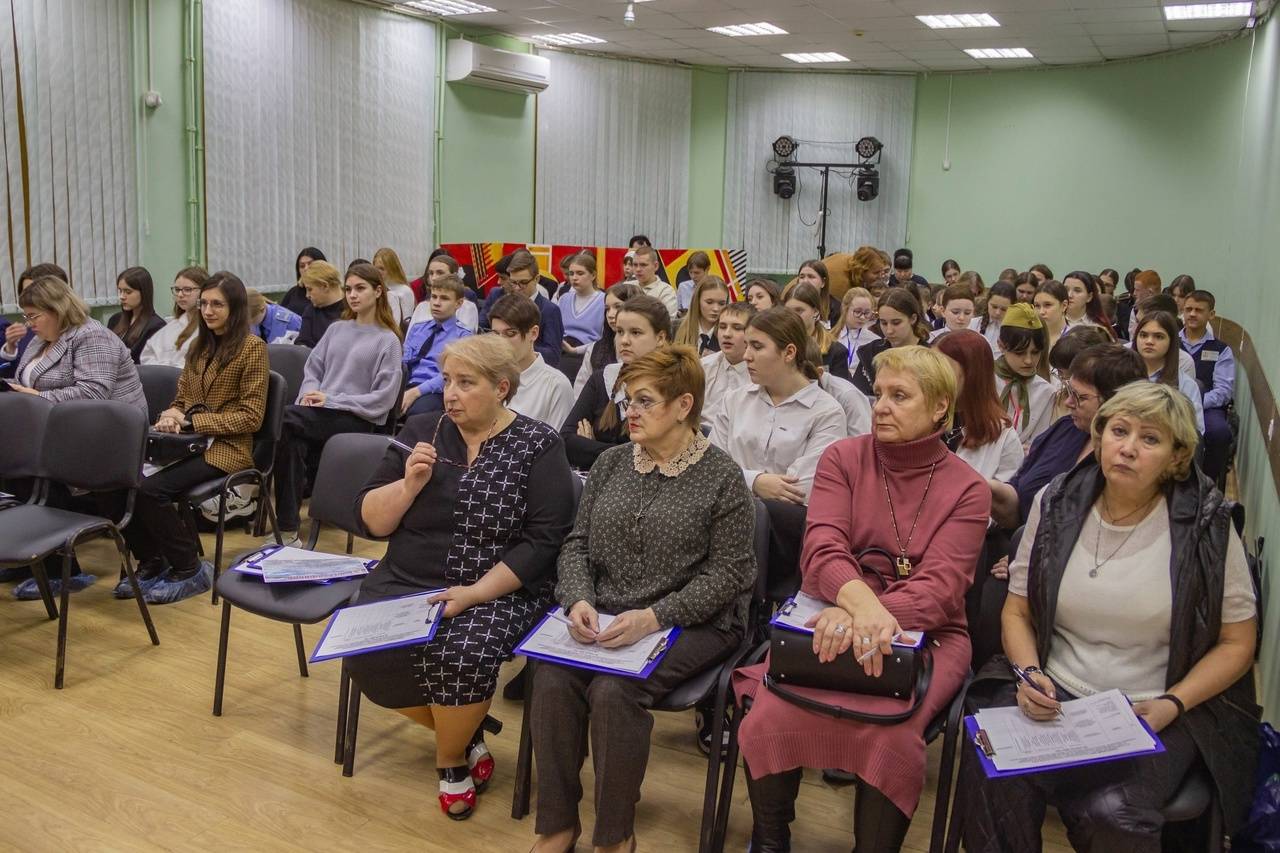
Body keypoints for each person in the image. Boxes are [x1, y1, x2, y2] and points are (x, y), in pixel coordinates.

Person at [962, 382, 1259, 852]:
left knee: (1113, 813)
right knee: (992, 766)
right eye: (1119, 431)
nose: (1128, 448)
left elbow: (1238, 643)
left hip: (1158, 703)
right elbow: (1016, 610)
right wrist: (1030, 674)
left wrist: (1174, 703)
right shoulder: (1056, 500)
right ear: (1099, 438)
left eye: (1150, 439)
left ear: (1177, 456)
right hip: (1057, 689)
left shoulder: (1209, 524)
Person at [733, 345, 990, 853]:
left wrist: (860, 617)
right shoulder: (844, 458)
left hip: (928, 633)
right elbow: (822, 551)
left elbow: (941, 590)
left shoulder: (968, 489)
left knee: (891, 736)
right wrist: (862, 609)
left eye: (900, 396)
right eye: (879, 394)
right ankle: (769, 841)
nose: (881, 407)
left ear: (940, 406)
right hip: (828, 612)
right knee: (770, 713)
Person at [529, 346, 756, 853]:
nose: (629, 411)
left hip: (696, 620)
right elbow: (577, 545)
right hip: (609, 612)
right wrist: (578, 600)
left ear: (683, 405)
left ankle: (615, 835)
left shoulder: (723, 478)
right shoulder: (611, 463)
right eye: (628, 400)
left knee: (615, 691)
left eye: (644, 401)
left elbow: (729, 576)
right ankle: (557, 824)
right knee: (551, 677)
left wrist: (654, 617)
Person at [346, 333, 575, 821]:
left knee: (463, 654)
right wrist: (408, 485)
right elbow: (370, 519)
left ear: (502, 388)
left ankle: (450, 760)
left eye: (466, 383)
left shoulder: (538, 444)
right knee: (363, 650)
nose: (450, 393)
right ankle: (467, 735)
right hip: (409, 577)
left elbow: (543, 541)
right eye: (447, 380)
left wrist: (473, 593)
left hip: (498, 586)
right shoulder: (422, 429)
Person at [123, 272, 267, 604]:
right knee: (123, 482)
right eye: (204, 303)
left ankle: (189, 568)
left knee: (151, 491)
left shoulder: (252, 348)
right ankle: (152, 560)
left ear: (235, 308)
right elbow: (182, 398)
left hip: (228, 448)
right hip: (190, 442)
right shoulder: (200, 346)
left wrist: (191, 421)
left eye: (218, 304)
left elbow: (251, 417)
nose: (208, 311)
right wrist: (172, 414)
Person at [272, 263, 404, 540]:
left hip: (358, 419)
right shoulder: (337, 329)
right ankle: (288, 530)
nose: (352, 295)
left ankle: (253, 486)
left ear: (378, 291)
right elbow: (313, 370)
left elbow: (382, 400)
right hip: (319, 414)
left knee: (283, 419)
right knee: (290, 437)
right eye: (349, 289)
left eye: (360, 288)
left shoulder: (388, 340)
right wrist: (309, 395)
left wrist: (331, 399)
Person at [989, 344, 1146, 529]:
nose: (1069, 402)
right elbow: (1018, 495)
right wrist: (986, 487)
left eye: (1081, 397)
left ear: (1115, 402)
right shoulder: (1065, 429)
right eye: (1069, 391)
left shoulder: (1125, 460)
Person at [710, 307, 846, 505]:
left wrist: (738, 479)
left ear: (789, 353)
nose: (746, 355)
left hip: (786, 521)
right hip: (725, 512)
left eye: (757, 347)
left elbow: (802, 490)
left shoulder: (827, 412)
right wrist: (756, 482)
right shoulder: (734, 400)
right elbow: (710, 469)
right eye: (747, 345)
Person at [561, 295, 670, 470]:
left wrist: (591, 447)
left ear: (660, 338)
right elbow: (566, 441)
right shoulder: (602, 378)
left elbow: (656, 453)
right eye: (619, 332)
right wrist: (619, 453)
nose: (624, 340)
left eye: (635, 332)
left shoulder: (674, 384)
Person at [935, 330, 1024, 483]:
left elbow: (1009, 494)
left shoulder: (1003, 437)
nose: (933, 378)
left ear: (972, 376)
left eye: (944, 371)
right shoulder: (919, 420)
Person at [489, 294, 573, 429]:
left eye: (510, 334)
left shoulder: (556, 385)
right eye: (495, 334)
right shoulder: (487, 377)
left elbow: (558, 439)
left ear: (533, 333)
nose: (501, 342)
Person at [1181, 290, 1235, 482]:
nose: (1192, 314)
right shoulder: (1170, 342)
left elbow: (1223, 391)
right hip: (1172, 402)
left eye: (1199, 310)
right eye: (1188, 309)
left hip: (1207, 407)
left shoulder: (1221, 350)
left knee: (1219, 432)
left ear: (1211, 314)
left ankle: (1207, 481)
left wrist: (1195, 401)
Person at [402, 273, 473, 417]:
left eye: (444, 298)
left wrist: (417, 391)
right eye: (433, 297)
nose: (436, 303)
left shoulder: (464, 337)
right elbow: (403, 362)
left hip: (436, 390)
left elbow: (452, 376)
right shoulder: (418, 328)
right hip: (406, 382)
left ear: (458, 303)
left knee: (417, 412)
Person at [480, 250, 564, 368]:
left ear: (537, 279)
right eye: (513, 282)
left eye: (523, 282)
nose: (517, 288)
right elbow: (482, 328)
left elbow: (553, 356)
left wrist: (517, 344)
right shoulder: (501, 301)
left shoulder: (550, 310)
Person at [993, 303, 1054, 449]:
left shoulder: (1046, 391)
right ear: (1001, 345)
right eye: (1019, 352)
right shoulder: (984, 379)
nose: (1028, 360)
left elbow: (1038, 443)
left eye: (1035, 352)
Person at [1134, 311, 1204, 434]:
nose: (1149, 341)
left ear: (1171, 342)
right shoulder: (1120, 375)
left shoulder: (1186, 384)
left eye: (1158, 337)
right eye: (1143, 335)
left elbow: (1195, 432)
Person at [852, 288, 930, 396]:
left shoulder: (929, 357)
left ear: (913, 319)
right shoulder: (870, 352)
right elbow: (858, 395)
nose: (889, 330)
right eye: (883, 323)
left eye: (896, 323)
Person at [2, 263, 70, 378]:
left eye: (34, 293)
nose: (28, 299)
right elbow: (11, 376)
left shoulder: (84, 334)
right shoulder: (27, 333)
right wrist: (10, 348)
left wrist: (30, 390)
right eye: (25, 293)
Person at [573, 282, 641, 397]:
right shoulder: (595, 349)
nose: (610, 314)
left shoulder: (646, 348)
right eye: (607, 309)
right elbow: (580, 392)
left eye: (618, 307)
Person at [700, 301, 753, 430]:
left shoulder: (762, 375)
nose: (727, 334)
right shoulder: (703, 366)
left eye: (737, 328)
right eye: (722, 327)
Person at [142, 267, 208, 367]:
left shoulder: (207, 326)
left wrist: (169, 368)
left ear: (204, 291)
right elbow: (147, 355)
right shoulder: (172, 325)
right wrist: (164, 367)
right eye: (177, 290)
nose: (180, 294)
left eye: (187, 290)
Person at [785, 281, 850, 381]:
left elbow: (839, 388)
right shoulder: (777, 345)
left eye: (799, 310)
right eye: (788, 311)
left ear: (815, 311)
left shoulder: (836, 351)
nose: (793, 316)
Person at [107, 267, 166, 364]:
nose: (122, 297)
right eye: (120, 291)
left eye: (128, 292)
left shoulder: (157, 326)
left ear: (143, 292)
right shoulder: (115, 319)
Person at [411, 253, 479, 334]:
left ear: (454, 276)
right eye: (431, 273)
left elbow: (465, 338)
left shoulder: (467, 307)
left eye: (440, 273)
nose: (434, 278)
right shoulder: (421, 307)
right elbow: (410, 336)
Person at [557, 253, 605, 353]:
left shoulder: (603, 301)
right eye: (571, 273)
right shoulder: (564, 299)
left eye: (580, 273)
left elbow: (605, 340)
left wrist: (576, 350)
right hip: (562, 349)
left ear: (593, 275)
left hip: (589, 352)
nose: (574, 278)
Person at [295, 260, 347, 348]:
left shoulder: (351, 310)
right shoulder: (311, 311)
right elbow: (302, 341)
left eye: (310, 289)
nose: (307, 295)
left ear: (325, 286)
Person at [674, 276, 729, 356]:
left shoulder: (728, 335)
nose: (716, 309)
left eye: (721, 304)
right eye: (709, 302)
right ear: (697, 300)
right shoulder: (675, 328)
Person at [370, 247, 418, 326]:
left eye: (382, 268)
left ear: (392, 269)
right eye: (375, 268)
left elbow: (406, 322)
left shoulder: (405, 291)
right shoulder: (374, 288)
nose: (378, 272)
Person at [835, 287, 879, 372]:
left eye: (867, 313)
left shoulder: (875, 341)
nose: (862, 317)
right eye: (858, 312)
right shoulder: (830, 338)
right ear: (845, 309)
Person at [1062, 270, 1115, 336]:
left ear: (1089, 297)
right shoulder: (1052, 318)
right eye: (1066, 289)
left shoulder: (1098, 326)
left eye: (1077, 291)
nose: (1069, 295)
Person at [630, 245, 677, 317]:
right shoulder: (626, 286)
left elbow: (668, 320)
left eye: (643, 265)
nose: (638, 269)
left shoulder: (666, 291)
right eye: (635, 265)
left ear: (656, 266)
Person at [970, 280, 1014, 354]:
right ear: (987, 302)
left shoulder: (1014, 332)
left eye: (1003, 309)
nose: (997, 313)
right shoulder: (973, 324)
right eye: (994, 307)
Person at [792, 259, 840, 328]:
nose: (805, 281)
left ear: (823, 282)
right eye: (802, 277)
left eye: (811, 277)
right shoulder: (790, 303)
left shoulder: (836, 308)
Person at [282, 247, 325, 316]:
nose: (306, 268)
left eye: (310, 264)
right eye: (302, 266)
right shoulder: (293, 293)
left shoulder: (328, 292)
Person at [1031, 279, 1069, 354]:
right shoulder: (1030, 337)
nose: (1041, 312)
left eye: (1047, 305)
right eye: (1037, 306)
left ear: (1064, 306)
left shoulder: (1075, 338)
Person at [1127, 269, 1162, 339]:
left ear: (1150, 292)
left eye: (1137, 290)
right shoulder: (1135, 310)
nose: (1134, 293)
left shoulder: (1167, 310)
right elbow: (1132, 338)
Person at [676, 250, 711, 314]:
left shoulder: (718, 287)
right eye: (690, 272)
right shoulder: (683, 287)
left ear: (707, 269)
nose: (693, 276)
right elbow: (677, 312)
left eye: (697, 273)